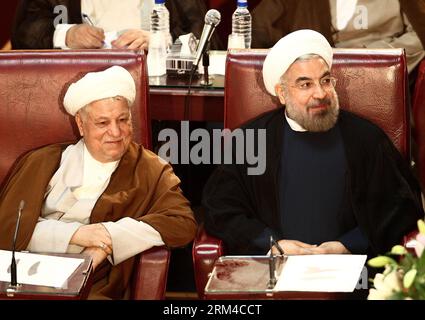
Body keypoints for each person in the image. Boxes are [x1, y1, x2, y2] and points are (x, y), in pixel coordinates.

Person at [202, 29, 424, 257]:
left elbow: (401, 206)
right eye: (305, 84)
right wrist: (271, 243)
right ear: (281, 93)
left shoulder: (366, 138)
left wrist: (348, 244)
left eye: (325, 80)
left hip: (353, 272)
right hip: (274, 271)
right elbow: (219, 209)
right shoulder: (251, 140)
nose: (320, 93)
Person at [0, 65, 197, 299]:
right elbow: (6, 228)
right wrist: (78, 234)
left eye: (123, 120)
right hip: (20, 278)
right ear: (81, 125)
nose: (116, 132)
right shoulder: (41, 162)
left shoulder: (149, 168)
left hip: (92, 284)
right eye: (102, 123)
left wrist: (109, 237)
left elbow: (182, 224)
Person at [251, 0, 425, 73]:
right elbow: (257, 28)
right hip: (314, 75)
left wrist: (372, 55)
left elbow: (418, 37)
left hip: (377, 74)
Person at [11, 0, 222, 50]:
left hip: (155, 96)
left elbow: (210, 40)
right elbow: (23, 33)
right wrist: (67, 35)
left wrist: (159, 41)